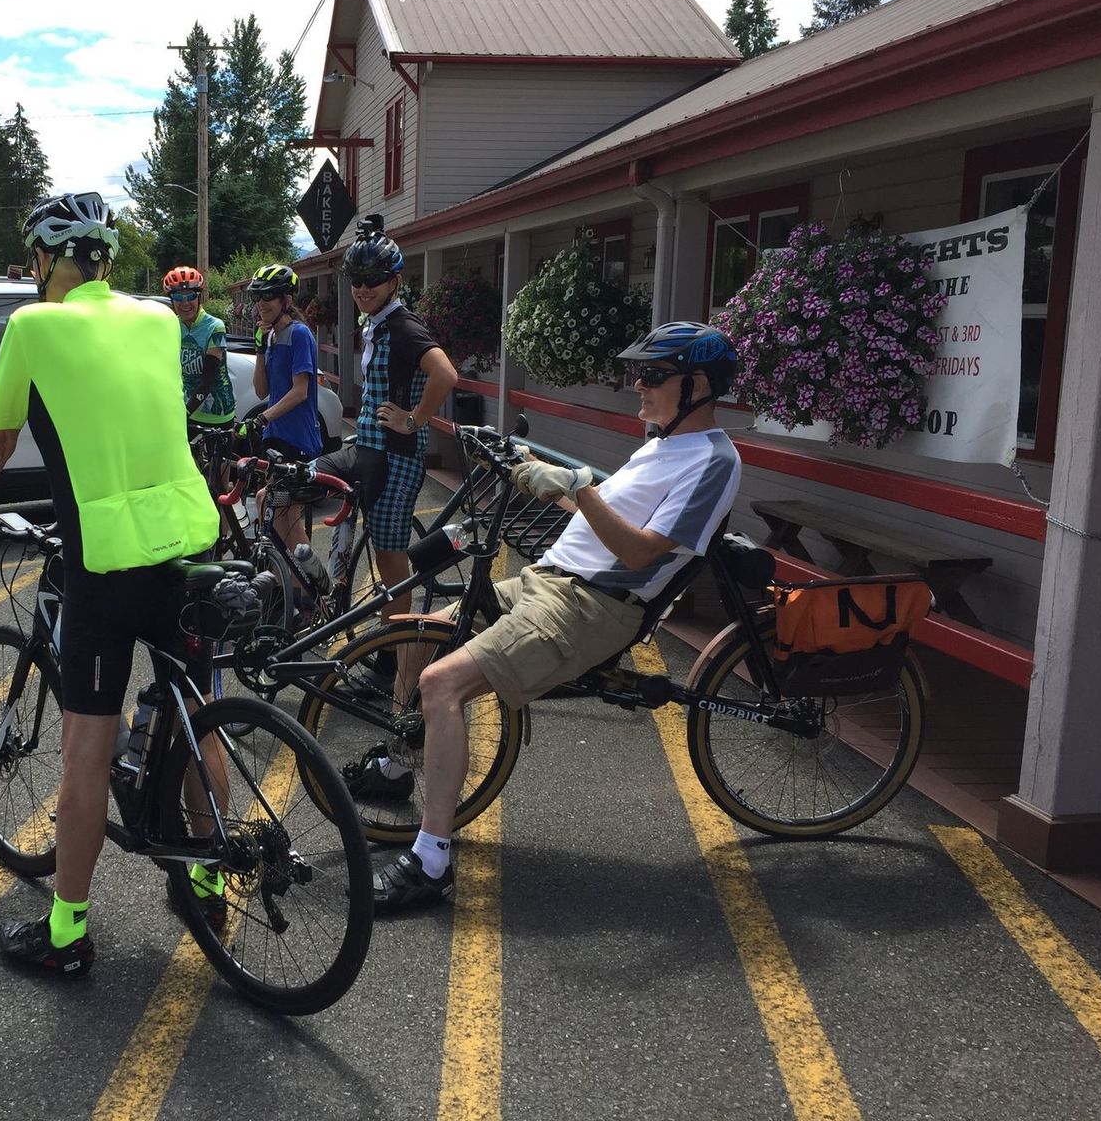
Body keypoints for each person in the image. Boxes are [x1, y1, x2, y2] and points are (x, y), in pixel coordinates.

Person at [0, 191, 224, 978]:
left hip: (106, 558)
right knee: (199, 716)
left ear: (48, 260)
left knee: (85, 747)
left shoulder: (33, 326)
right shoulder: (159, 321)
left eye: (35, 259)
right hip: (190, 538)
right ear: (105, 259)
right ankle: (210, 877)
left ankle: (67, 932)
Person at [359, 322, 743, 914]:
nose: (638, 385)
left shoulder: (714, 461)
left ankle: (431, 862)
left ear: (698, 386)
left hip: (593, 605)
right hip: (550, 580)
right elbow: (599, 507)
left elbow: (640, 552)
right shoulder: (661, 443)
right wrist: (533, 470)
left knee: (440, 683)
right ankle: (395, 762)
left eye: (652, 375)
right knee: (420, 634)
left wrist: (579, 489)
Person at [318, 215, 457, 625]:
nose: (363, 288)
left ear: (394, 281)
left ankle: (391, 649)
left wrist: (413, 420)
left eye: (374, 279)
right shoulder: (377, 324)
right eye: (357, 279)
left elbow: (446, 374)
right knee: (285, 487)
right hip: (366, 448)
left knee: (390, 562)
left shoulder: (402, 326)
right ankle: (306, 592)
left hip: (396, 458)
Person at [247, 263, 320, 555]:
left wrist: (262, 417)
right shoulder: (273, 336)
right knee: (276, 511)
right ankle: (289, 576)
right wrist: (260, 349)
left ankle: (308, 578)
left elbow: (300, 391)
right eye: (258, 297)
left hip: (297, 440)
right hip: (276, 438)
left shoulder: (299, 334)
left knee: (279, 511)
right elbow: (261, 390)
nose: (261, 303)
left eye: (269, 296)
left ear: (286, 300)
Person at [165, 265, 235, 427]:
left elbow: (207, 379)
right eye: (178, 296)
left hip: (217, 413)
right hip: (186, 409)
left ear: (199, 297)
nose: (185, 303)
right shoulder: (172, 325)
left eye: (190, 296)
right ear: (171, 300)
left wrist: (184, 413)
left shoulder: (215, 327)